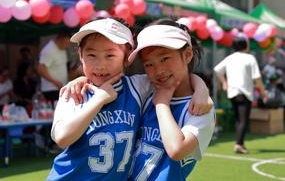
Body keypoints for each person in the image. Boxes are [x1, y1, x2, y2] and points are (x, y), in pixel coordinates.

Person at [47, 18, 212, 181]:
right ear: (81, 56)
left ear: (126, 59)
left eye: (110, 55)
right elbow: (62, 138)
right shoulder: (75, 93)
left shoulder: (138, 88)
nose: (100, 65)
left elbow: (176, 77)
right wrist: (91, 91)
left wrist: (201, 88)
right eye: (92, 55)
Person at [127, 19, 215, 180]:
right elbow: (110, 82)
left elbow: (176, 149)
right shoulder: (148, 88)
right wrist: (80, 81)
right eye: (149, 64)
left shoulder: (201, 108)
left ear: (187, 54)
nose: (158, 70)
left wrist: (161, 104)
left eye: (165, 59)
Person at [214, 33, 267, 154]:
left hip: (233, 93)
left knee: (239, 119)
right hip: (245, 92)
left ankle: (240, 143)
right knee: (243, 120)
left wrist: (224, 83)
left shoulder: (230, 58)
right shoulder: (250, 58)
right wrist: (263, 93)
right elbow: (257, 78)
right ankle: (239, 144)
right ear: (246, 46)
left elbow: (217, 70)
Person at [37, 31, 71, 105]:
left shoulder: (62, 49)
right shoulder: (49, 50)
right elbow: (40, 69)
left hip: (60, 88)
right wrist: (54, 81)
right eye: (66, 43)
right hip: (51, 89)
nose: (68, 45)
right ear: (60, 39)